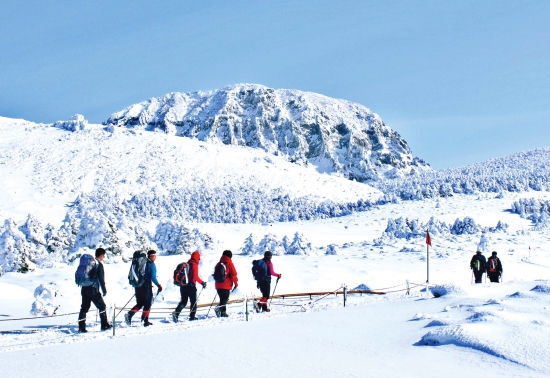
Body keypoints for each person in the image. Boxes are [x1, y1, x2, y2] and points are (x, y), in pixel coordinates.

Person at [125, 250, 163, 327]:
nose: (155, 258)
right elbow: (153, 277)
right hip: (146, 286)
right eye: (155, 256)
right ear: (152, 256)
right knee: (148, 303)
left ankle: (130, 314)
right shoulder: (151, 265)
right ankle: (145, 321)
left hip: (138, 285)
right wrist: (158, 285)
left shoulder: (143, 263)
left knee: (140, 303)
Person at [78, 248, 112, 333]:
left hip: (84, 288)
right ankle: (104, 325)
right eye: (103, 256)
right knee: (102, 306)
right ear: (101, 256)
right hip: (93, 289)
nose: (103, 257)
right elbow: (101, 279)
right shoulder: (98, 265)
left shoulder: (89, 263)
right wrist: (104, 290)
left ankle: (81, 327)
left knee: (84, 308)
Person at [172, 251, 206, 322]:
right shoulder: (194, 265)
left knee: (184, 301)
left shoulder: (187, 264)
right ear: (197, 258)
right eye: (199, 258)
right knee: (193, 301)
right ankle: (192, 316)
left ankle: (176, 313)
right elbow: (195, 277)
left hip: (183, 286)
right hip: (191, 286)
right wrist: (202, 282)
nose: (199, 260)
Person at [214, 250, 238, 317]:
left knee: (222, 299)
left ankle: (223, 312)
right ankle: (219, 309)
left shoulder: (218, 263)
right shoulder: (229, 263)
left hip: (218, 284)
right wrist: (236, 284)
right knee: (225, 299)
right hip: (226, 285)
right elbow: (233, 275)